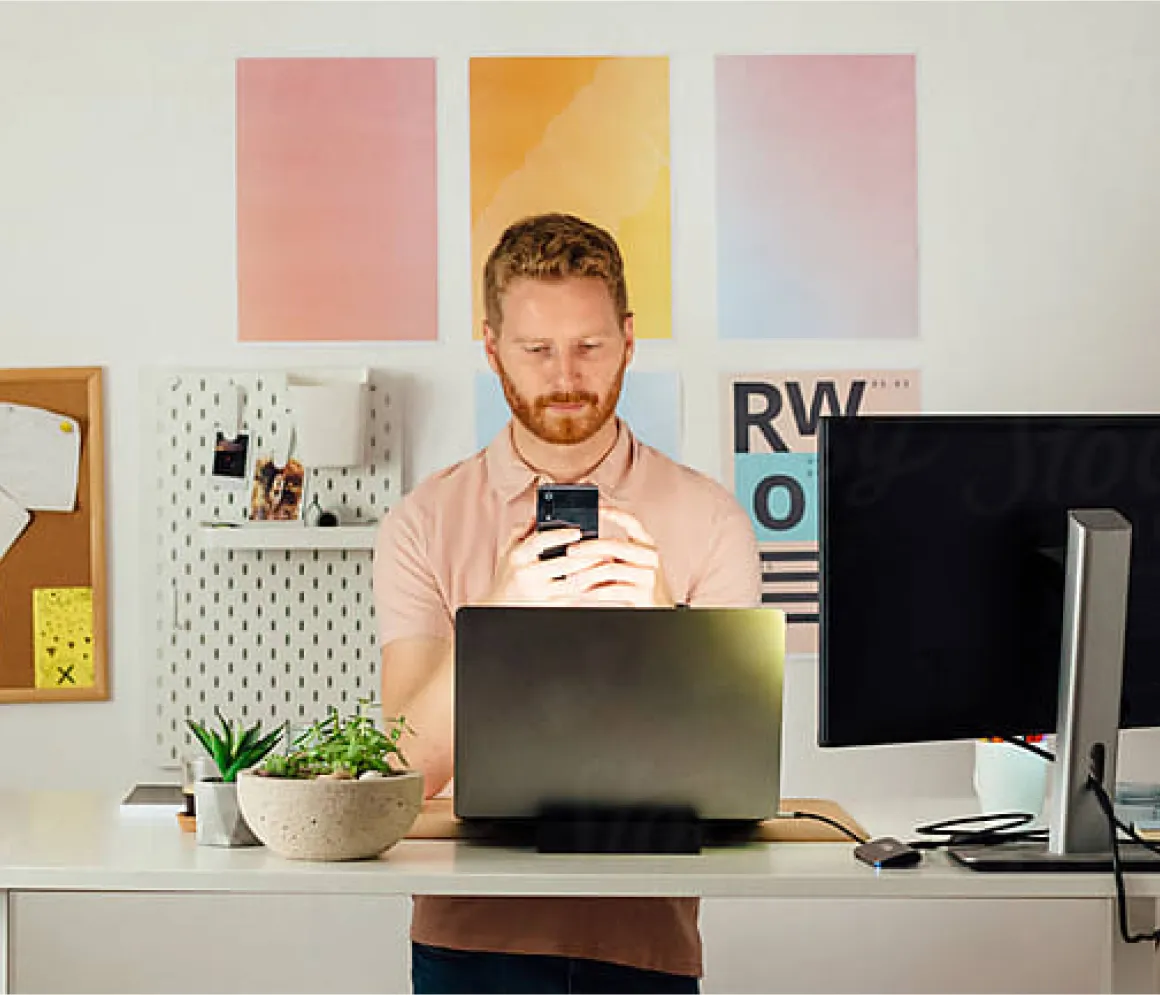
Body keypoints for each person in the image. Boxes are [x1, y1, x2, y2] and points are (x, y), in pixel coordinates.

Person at [373, 213, 761, 994]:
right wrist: (492, 617)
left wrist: (662, 628)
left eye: (589, 345)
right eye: (536, 348)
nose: (565, 374)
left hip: (645, 939)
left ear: (628, 338)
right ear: (491, 348)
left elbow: (735, 795)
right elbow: (398, 776)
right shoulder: (423, 522)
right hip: (470, 939)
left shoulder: (710, 518)